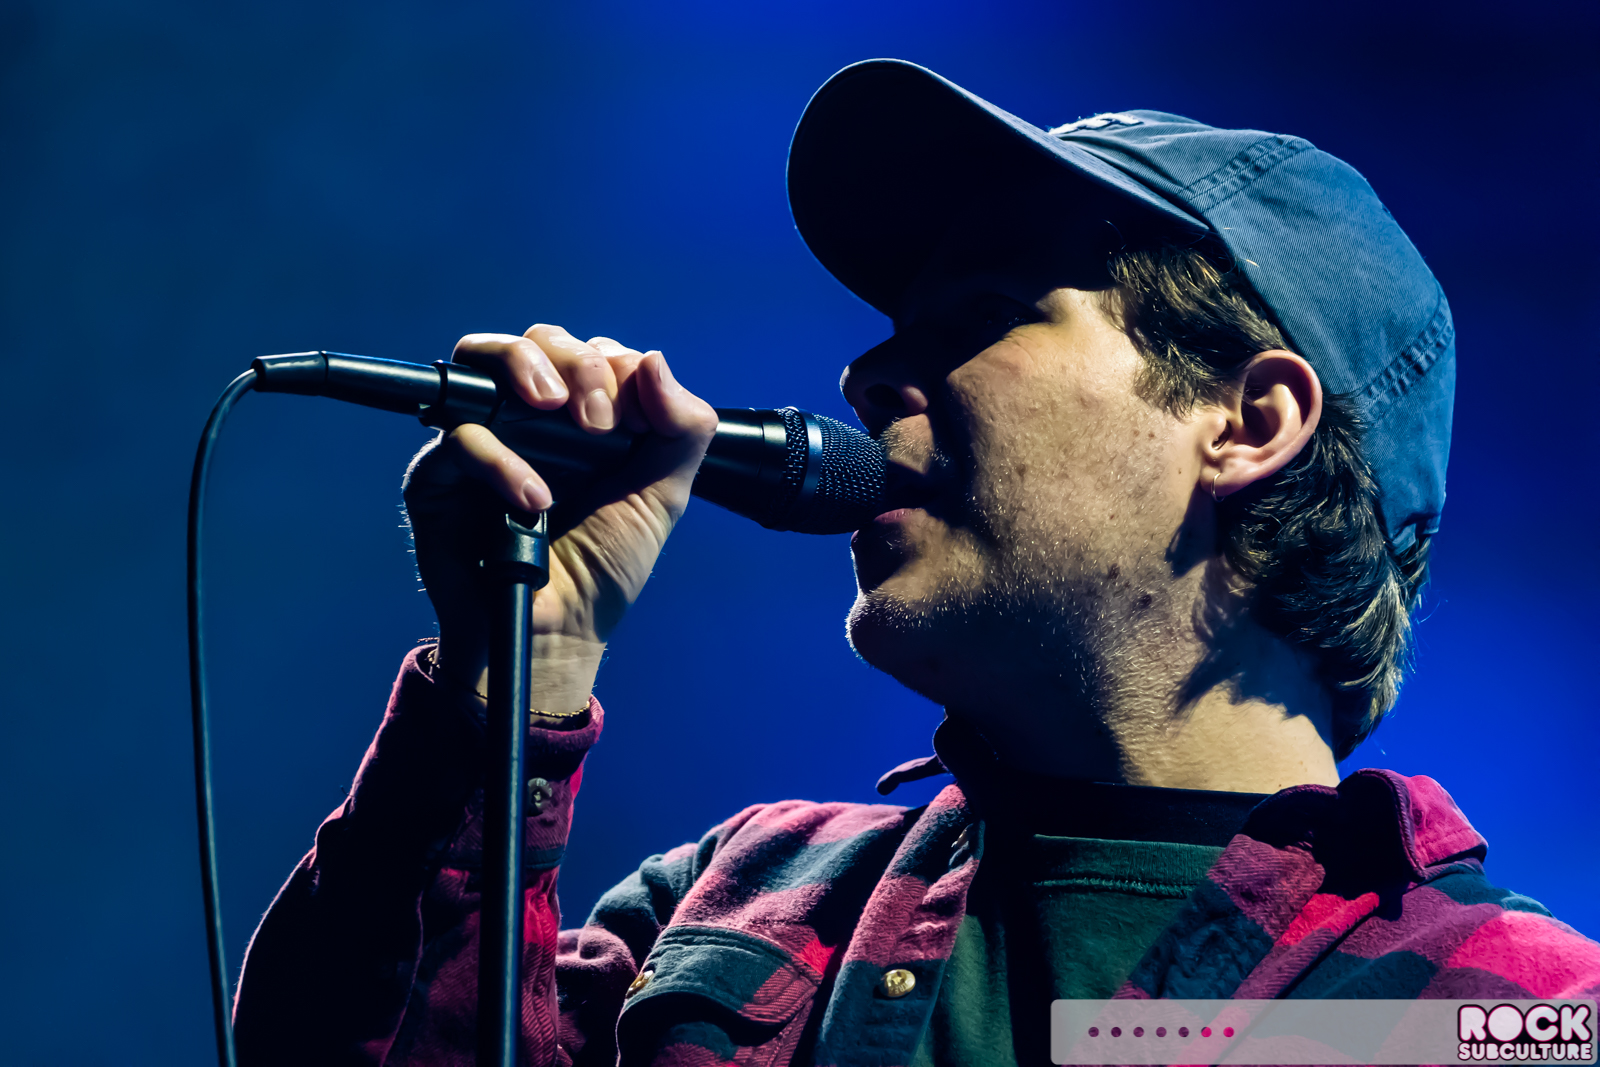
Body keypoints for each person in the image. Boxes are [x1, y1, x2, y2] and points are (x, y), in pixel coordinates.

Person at [231, 60, 1600, 1066]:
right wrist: (515, 679)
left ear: (1247, 422)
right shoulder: (731, 897)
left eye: (986, 313)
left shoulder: (1507, 1014)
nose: (866, 370)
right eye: (899, 325)